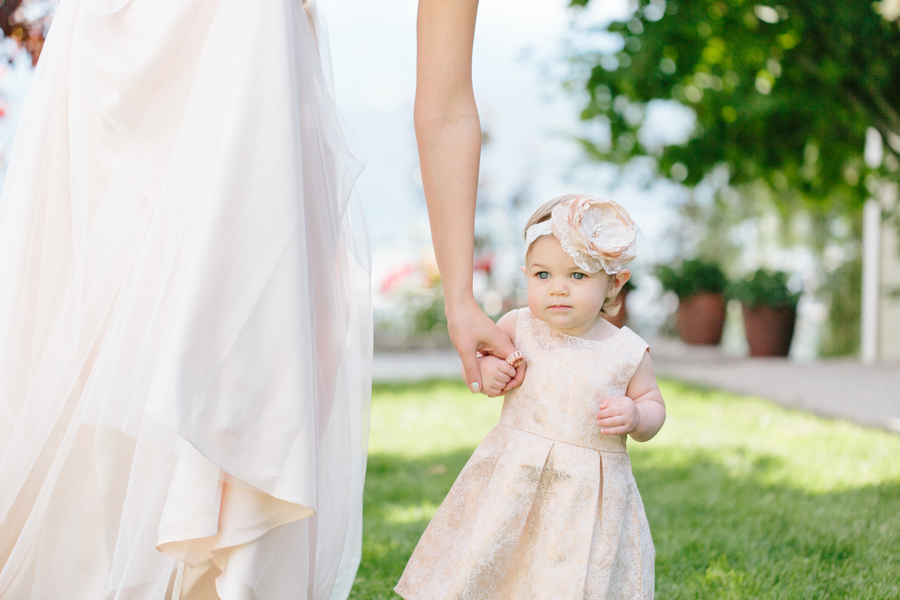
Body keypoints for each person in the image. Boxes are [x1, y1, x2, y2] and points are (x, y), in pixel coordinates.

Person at [0, 0, 518, 598]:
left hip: (256, 79)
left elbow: (447, 101)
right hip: (132, 55)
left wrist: (460, 298)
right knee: (96, 357)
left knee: (257, 367)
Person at [395, 194, 667, 600]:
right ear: (526, 275)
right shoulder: (518, 327)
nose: (558, 289)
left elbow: (653, 404)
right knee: (500, 558)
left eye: (577, 276)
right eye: (543, 276)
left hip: (586, 496)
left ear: (614, 282)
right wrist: (490, 372)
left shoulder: (626, 351)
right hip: (514, 480)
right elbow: (484, 360)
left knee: (572, 571)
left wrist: (637, 415)